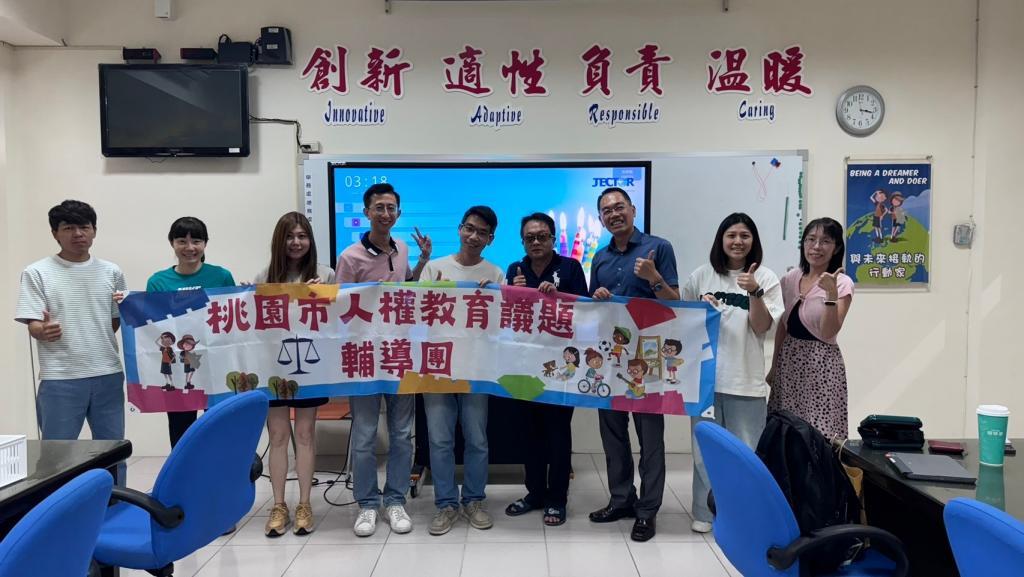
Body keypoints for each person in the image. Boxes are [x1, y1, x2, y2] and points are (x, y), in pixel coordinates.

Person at [335, 182, 432, 537]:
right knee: (364, 435)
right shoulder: (349, 257)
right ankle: (367, 503)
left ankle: (394, 499)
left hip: (400, 355)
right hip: (364, 358)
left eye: (391, 208)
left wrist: (422, 261)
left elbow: (406, 287)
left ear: (398, 213)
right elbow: (341, 308)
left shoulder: (402, 248)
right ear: (367, 212)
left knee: (403, 435)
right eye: (379, 207)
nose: (386, 214)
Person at [681, 212, 783, 533]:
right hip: (705, 382)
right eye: (731, 235)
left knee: (747, 454)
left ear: (753, 241)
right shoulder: (701, 275)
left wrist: (754, 292)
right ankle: (704, 511)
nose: (738, 241)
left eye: (745, 235)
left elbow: (762, 326)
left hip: (746, 381)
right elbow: (683, 322)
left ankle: (743, 516)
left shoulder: (766, 277)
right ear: (721, 239)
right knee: (705, 453)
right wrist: (703, 308)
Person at [588, 187, 679, 542]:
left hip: (647, 357)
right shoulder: (600, 257)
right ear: (601, 219)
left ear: (633, 209)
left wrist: (653, 277)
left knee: (650, 438)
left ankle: (647, 511)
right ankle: (621, 500)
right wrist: (597, 297)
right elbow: (593, 309)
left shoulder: (659, 248)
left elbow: (675, 302)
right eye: (606, 210)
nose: (614, 214)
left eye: (619, 207)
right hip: (611, 359)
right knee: (612, 436)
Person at [15, 200, 128, 484]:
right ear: (55, 233)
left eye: (84, 227)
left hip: (108, 373)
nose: (78, 234)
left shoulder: (112, 271)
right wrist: (42, 330)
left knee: (113, 451)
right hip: (60, 377)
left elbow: (114, 320)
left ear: (94, 230)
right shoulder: (37, 272)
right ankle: (58, 508)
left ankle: (115, 504)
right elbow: (33, 323)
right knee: (56, 457)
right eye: (68, 228)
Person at [420, 205, 505, 536]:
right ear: (459, 229)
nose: (473, 236)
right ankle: (445, 504)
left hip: (476, 367)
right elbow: (415, 318)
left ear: (490, 239)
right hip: (437, 366)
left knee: (477, 438)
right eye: (469, 228)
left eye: (482, 232)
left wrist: (493, 296)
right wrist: (433, 295)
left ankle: (474, 500)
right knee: (440, 439)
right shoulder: (434, 269)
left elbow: (502, 327)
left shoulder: (495, 274)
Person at [255, 211, 336, 537]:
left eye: (302, 236)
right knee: (277, 436)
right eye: (290, 236)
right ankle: (278, 505)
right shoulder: (264, 276)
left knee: (304, 434)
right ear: (280, 240)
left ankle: (304, 504)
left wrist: (324, 295)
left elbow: (338, 321)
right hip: (274, 367)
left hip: (311, 367)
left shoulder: (325, 274)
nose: (296, 242)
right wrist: (247, 294)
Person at [504, 212, 588, 527]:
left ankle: (557, 498)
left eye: (542, 236)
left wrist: (558, 299)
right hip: (525, 366)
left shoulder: (570, 267)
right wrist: (513, 292)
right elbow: (507, 318)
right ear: (522, 241)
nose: (536, 242)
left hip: (562, 367)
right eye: (530, 237)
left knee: (557, 434)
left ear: (553, 238)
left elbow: (586, 309)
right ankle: (535, 493)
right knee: (530, 433)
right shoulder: (515, 269)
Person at [145, 217, 235, 448]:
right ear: (172, 243)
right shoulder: (158, 282)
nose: (190, 247)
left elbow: (232, 317)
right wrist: (125, 303)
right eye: (182, 241)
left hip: (215, 365)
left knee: (218, 427)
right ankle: (186, 471)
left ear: (205, 243)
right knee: (181, 431)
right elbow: (151, 324)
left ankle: (218, 470)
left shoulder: (221, 276)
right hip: (177, 365)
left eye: (196, 241)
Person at [768, 217, 853, 440]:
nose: (816, 246)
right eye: (811, 239)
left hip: (822, 364)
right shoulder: (790, 278)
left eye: (825, 241)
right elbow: (783, 328)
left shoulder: (842, 283)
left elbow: (828, 332)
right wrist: (774, 366)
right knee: (785, 430)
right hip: (789, 361)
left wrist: (831, 294)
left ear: (836, 248)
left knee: (819, 432)